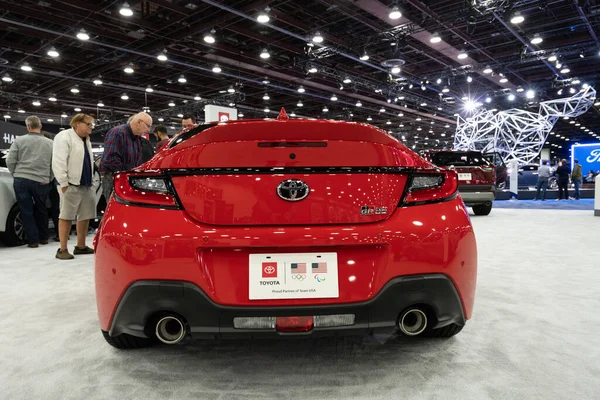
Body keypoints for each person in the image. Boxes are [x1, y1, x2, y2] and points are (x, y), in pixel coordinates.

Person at [52, 114, 98, 259]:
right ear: (77, 123)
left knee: (85, 216)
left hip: (86, 184)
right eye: (88, 124)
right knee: (66, 216)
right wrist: (63, 183)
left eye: (92, 125)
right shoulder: (64, 136)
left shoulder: (86, 140)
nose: (91, 127)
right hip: (70, 184)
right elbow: (59, 161)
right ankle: (62, 249)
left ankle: (81, 246)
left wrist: (92, 182)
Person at [6, 116, 53, 248]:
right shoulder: (50, 143)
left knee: (26, 210)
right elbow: (54, 164)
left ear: (28, 126)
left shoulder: (19, 141)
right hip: (41, 180)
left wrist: (15, 174)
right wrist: (49, 178)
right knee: (41, 208)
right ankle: (44, 237)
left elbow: (10, 160)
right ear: (41, 126)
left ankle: (33, 241)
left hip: (22, 179)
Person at [99, 112, 153, 200]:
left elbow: (138, 161)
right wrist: (127, 175)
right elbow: (111, 159)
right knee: (117, 210)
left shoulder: (137, 139)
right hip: (114, 179)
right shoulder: (118, 133)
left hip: (128, 180)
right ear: (139, 122)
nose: (148, 130)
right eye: (148, 126)